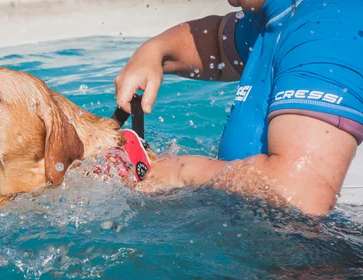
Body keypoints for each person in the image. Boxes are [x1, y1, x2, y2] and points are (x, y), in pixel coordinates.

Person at [114, 0, 363, 215]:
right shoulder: (281, 13)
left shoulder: (331, 27)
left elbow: (301, 194)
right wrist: (153, 52)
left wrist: (181, 171)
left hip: (330, 256)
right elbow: (216, 46)